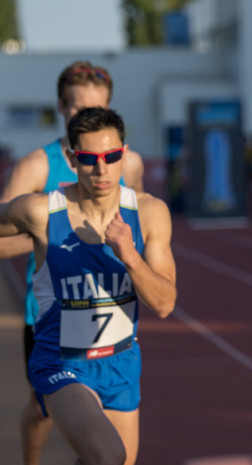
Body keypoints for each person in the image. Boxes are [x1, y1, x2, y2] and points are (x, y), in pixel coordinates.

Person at [0, 107, 177, 465]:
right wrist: (38, 241)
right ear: (71, 159)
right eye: (89, 159)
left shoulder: (149, 212)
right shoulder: (40, 212)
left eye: (112, 157)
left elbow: (164, 303)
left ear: (124, 154)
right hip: (60, 361)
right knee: (108, 456)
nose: (102, 169)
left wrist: (130, 254)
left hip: (121, 363)